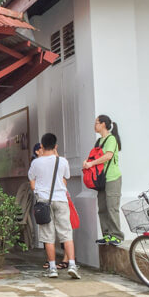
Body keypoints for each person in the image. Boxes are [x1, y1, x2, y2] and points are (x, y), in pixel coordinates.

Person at [28, 133, 80, 279]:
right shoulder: (62, 161)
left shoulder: (36, 163)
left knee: (48, 235)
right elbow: (66, 177)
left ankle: (52, 268)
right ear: (56, 146)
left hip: (44, 202)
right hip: (61, 200)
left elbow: (32, 179)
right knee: (66, 233)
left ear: (42, 146)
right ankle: (72, 265)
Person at [83, 115, 123, 247]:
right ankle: (107, 235)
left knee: (112, 207)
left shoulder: (111, 139)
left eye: (97, 123)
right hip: (101, 179)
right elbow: (95, 156)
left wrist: (92, 163)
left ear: (104, 124)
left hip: (112, 178)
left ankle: (116, 236)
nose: (95, 125)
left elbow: (108, 156)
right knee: (102, 208)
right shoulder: (99, 141)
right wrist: (87, 162)